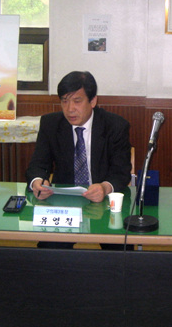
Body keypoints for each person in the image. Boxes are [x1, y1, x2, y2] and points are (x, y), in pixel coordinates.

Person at [26, 71, 132, 250]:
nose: (70, 109)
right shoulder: (51, 124)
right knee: (49, 250)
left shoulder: (115, 126)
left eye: (77, 101)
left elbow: (121, 171)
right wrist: (38, 182)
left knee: (120, 249)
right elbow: (38, 164)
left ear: (93, 101)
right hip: (64, 202)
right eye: (64, 101)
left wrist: (104, 187)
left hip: (104, 202)